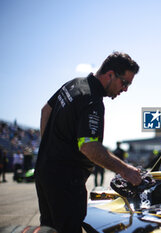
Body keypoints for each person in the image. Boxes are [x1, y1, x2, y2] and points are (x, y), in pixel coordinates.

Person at [35, 51, 142, 233]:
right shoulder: (92, 100)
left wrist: (51, 148)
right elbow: (89, 147)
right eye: (124, 83)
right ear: (110, 75)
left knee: (49, 228)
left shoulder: (74, 84)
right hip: (66, 180)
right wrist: (126, 170)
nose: (125, 89)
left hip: (45, 171)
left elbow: (46, 110)